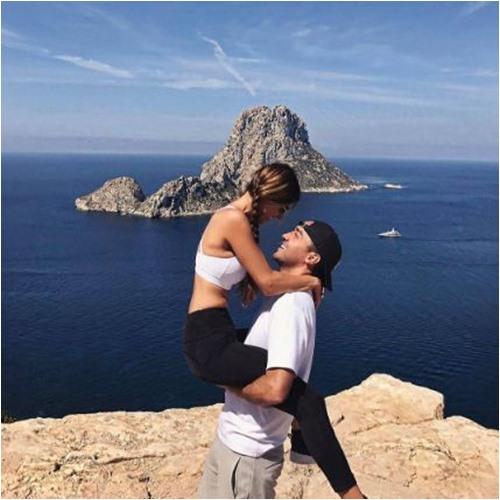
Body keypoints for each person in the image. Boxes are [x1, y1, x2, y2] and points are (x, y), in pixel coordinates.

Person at [184, 163, 364, 498]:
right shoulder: (232, 219)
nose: (280, 222)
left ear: (311, 257)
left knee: (296, 393)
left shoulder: (242, 226)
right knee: (307, 401)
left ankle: (316, 457)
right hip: (209, 337)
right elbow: (267, 282)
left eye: (293, 227)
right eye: (282, 210)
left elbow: (264, 282)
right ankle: (349, 491)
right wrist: (311, 282)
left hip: (213, 335)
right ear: (269, 196)